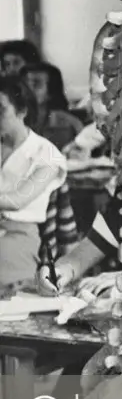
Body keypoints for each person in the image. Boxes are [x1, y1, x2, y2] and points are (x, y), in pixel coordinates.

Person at [0, 75, 67, 293]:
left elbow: (17, 201)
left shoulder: (46, 154)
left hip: (17, 234)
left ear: (22, 111)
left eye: (1, 110)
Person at [21, 62, 83, 150]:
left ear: (51, 92)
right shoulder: (12, 119)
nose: (27, 90)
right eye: (25, 84)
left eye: (36, 84)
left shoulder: (69, 124)